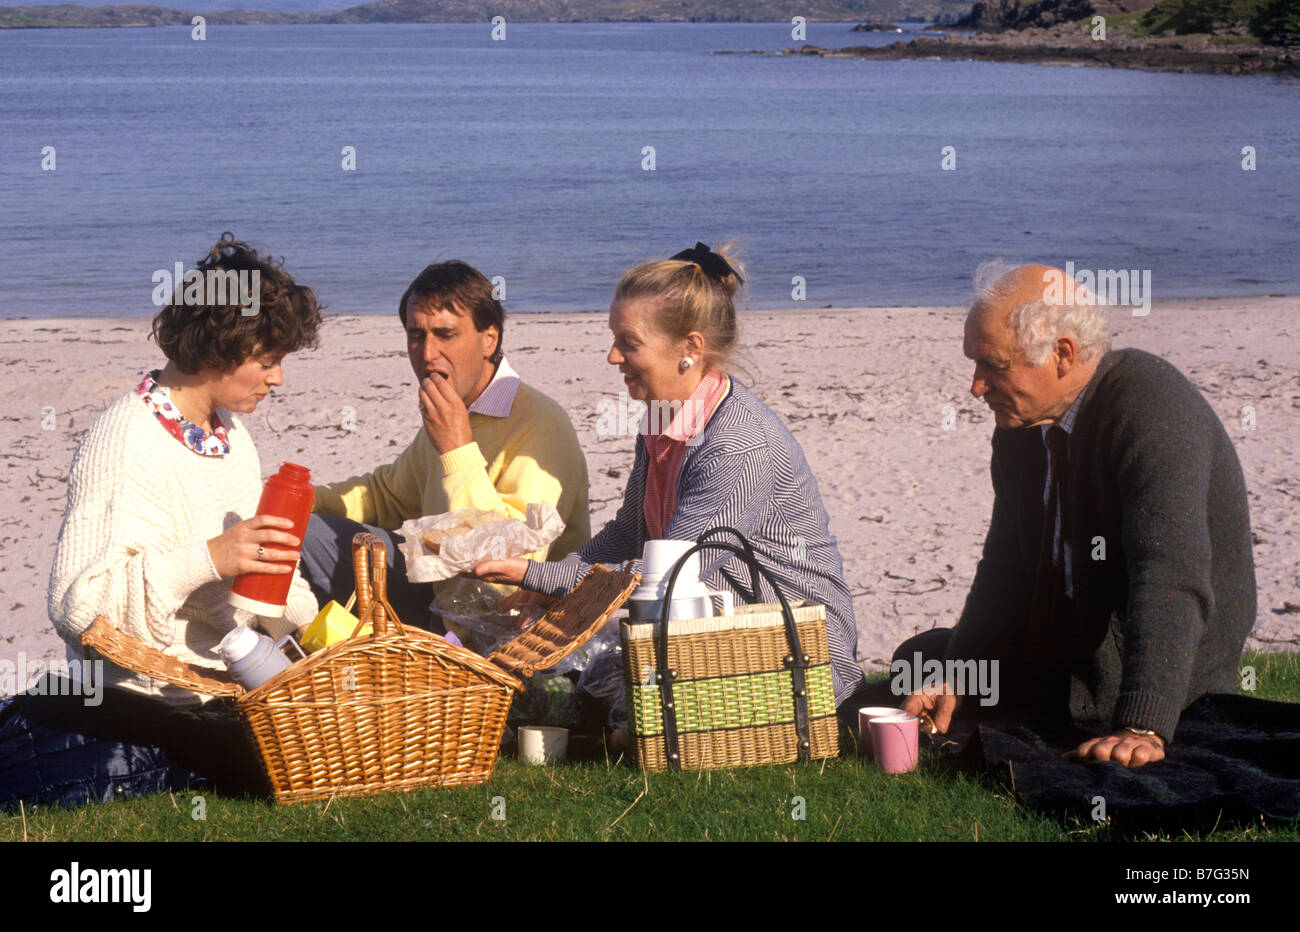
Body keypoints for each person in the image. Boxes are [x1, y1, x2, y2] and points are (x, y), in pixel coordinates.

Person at [5, 234, 325, 808]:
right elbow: (78, 608)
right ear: (222, 347)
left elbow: (265, 584)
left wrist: (332, 637)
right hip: (152, 700)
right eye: (269, 362)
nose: (278, 381)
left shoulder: (229, 437)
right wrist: (209, 559)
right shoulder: (125, 442)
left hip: (227, 683)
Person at [475, 242, 867, 710]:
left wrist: (547, 576)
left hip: (802, 654)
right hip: (717, 627)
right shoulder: (662, 418)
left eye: (629, 342)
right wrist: (547, 584)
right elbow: (629, 534)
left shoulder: (738, 444)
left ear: (690, 349)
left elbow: (674, 575)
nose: (612, 357)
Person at [895, 260, 1256, 768]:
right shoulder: (1019, 425)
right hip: (1068, 643)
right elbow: (1005, 567)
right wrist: (961, 673)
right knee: (920, 662)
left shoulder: (1149, 403)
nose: (976, 387)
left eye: (993, 366)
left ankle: (1118, 713)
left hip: (1155, 663)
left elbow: (1171, 574)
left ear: (1062, 354)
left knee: (942, 674)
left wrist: (1142, 726)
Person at [301, 260, 590, 629]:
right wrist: (306, 500)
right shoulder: (457, 409)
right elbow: (386, 497)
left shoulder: (541, 424)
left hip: (507, 628)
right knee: (296, 532)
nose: (427, 354)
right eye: (416, 335)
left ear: (490, 339)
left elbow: (508, 568)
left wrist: (457, 450)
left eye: (445, 334)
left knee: (305, 541)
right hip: (443, 598)